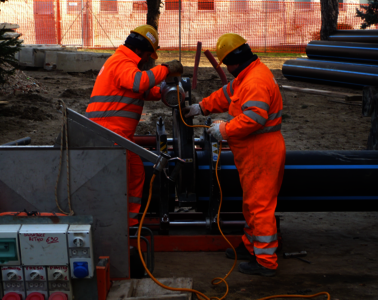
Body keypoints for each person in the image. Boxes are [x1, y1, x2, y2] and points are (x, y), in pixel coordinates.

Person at [183, 33, 286, 277]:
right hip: (254, 150)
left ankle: (265, 262)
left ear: (233, 61)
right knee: (251, 203)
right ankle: (252, 247)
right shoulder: (247, 75)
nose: (227, 70)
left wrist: (224, 129)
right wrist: (201, 107)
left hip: (261, 151)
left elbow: (254, 118)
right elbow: (226, 94)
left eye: (226, 64)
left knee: (260, 206)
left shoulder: (255, 81)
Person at [85, 25, 183, 227]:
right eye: (148, 54)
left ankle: (127, 223)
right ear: (139, 49)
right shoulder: (121, 62)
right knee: (119, 180)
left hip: (116, 135)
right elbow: (138, 83)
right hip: (109, 134)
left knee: (136, 172)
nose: (148, 59)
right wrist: (165, 69)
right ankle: (116, 225)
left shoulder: (124, 63)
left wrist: (164, 93)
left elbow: (140, 91)